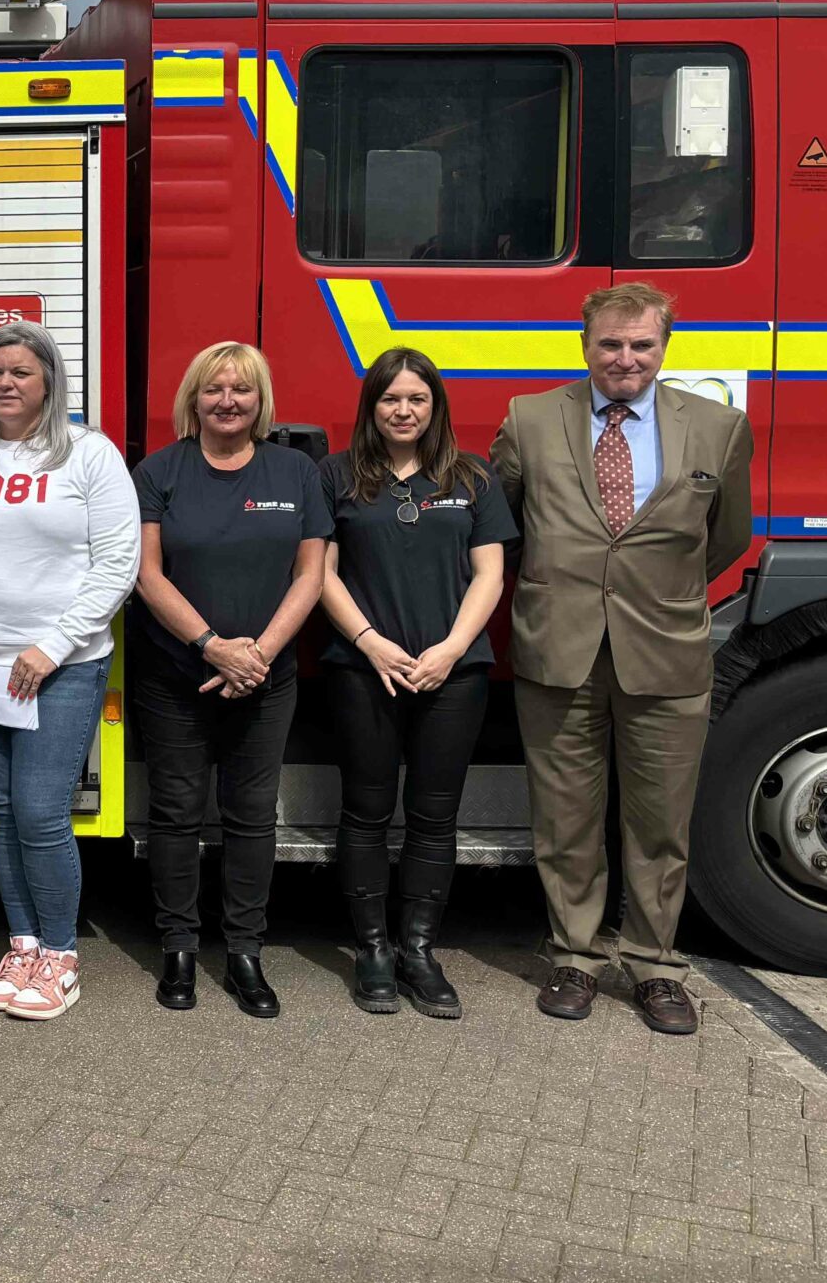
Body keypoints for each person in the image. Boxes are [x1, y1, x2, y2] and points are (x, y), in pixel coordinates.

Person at [492, 283, 752, 1034]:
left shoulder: (717, 427)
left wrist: (658, 593)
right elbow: (504, 522)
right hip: (557, 647)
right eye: (610, 344)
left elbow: (725, 536)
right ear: (585, 345)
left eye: (641, 344)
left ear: (666, 347)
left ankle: (653, 964)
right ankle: (573, 956)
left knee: (661, 821)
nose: (625, 358)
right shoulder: (530, 419)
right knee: (565, 817)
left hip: (665, 650)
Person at [0, 322, 138, 1021]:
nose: (6, 383)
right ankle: (23, 944)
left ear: (49, 381)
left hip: (61, 668)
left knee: (42, 813)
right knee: (5, 811)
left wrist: (54, 645)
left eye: (21, 372)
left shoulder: (88, 455)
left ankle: (61, 956)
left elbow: (117, 564)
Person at [131, 342, 329, 1020]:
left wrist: (259, 656)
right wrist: (213, 647)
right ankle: (179, 948)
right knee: (176, 816)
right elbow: (147, 574)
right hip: (175, 676)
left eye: (241, 390)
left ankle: (245, 950)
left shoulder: (296, 471)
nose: (227, 401)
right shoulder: (159, 471)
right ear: (194, 398)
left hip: (266, 680)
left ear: (260, 400)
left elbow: (312, 574)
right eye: (214, 389)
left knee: (251, 819)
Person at [316, 347, 513, 1020]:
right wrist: (370, 643)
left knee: (434, 818)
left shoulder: (473, 477)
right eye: (391, 399)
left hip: (453, 675)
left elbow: (489, 573)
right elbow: (320, 571)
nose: (404, 410)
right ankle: (372, 950)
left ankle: (419, 951)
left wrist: (452, 650)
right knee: (365, 813)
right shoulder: (336, 476)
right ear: (372, 407)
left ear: (436, 408)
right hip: (364, 671)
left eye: (417, 399)